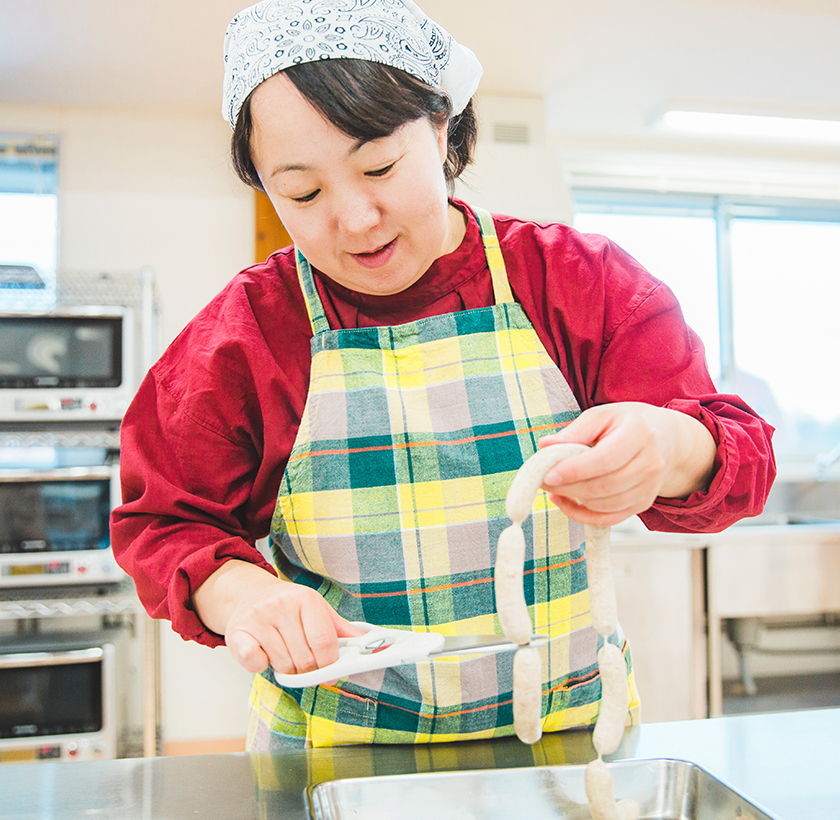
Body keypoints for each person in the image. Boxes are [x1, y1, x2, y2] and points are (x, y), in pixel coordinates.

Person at [111, 0, 775, 750]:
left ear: (441, 127)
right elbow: (164, 519)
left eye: (379, 166)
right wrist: (245, 596)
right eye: (302, 192)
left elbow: (733, 452)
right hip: (337, 755)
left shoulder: (576, 283)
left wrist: (669, 447)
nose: (357, 218)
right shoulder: (249, 335)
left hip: (569, 740)